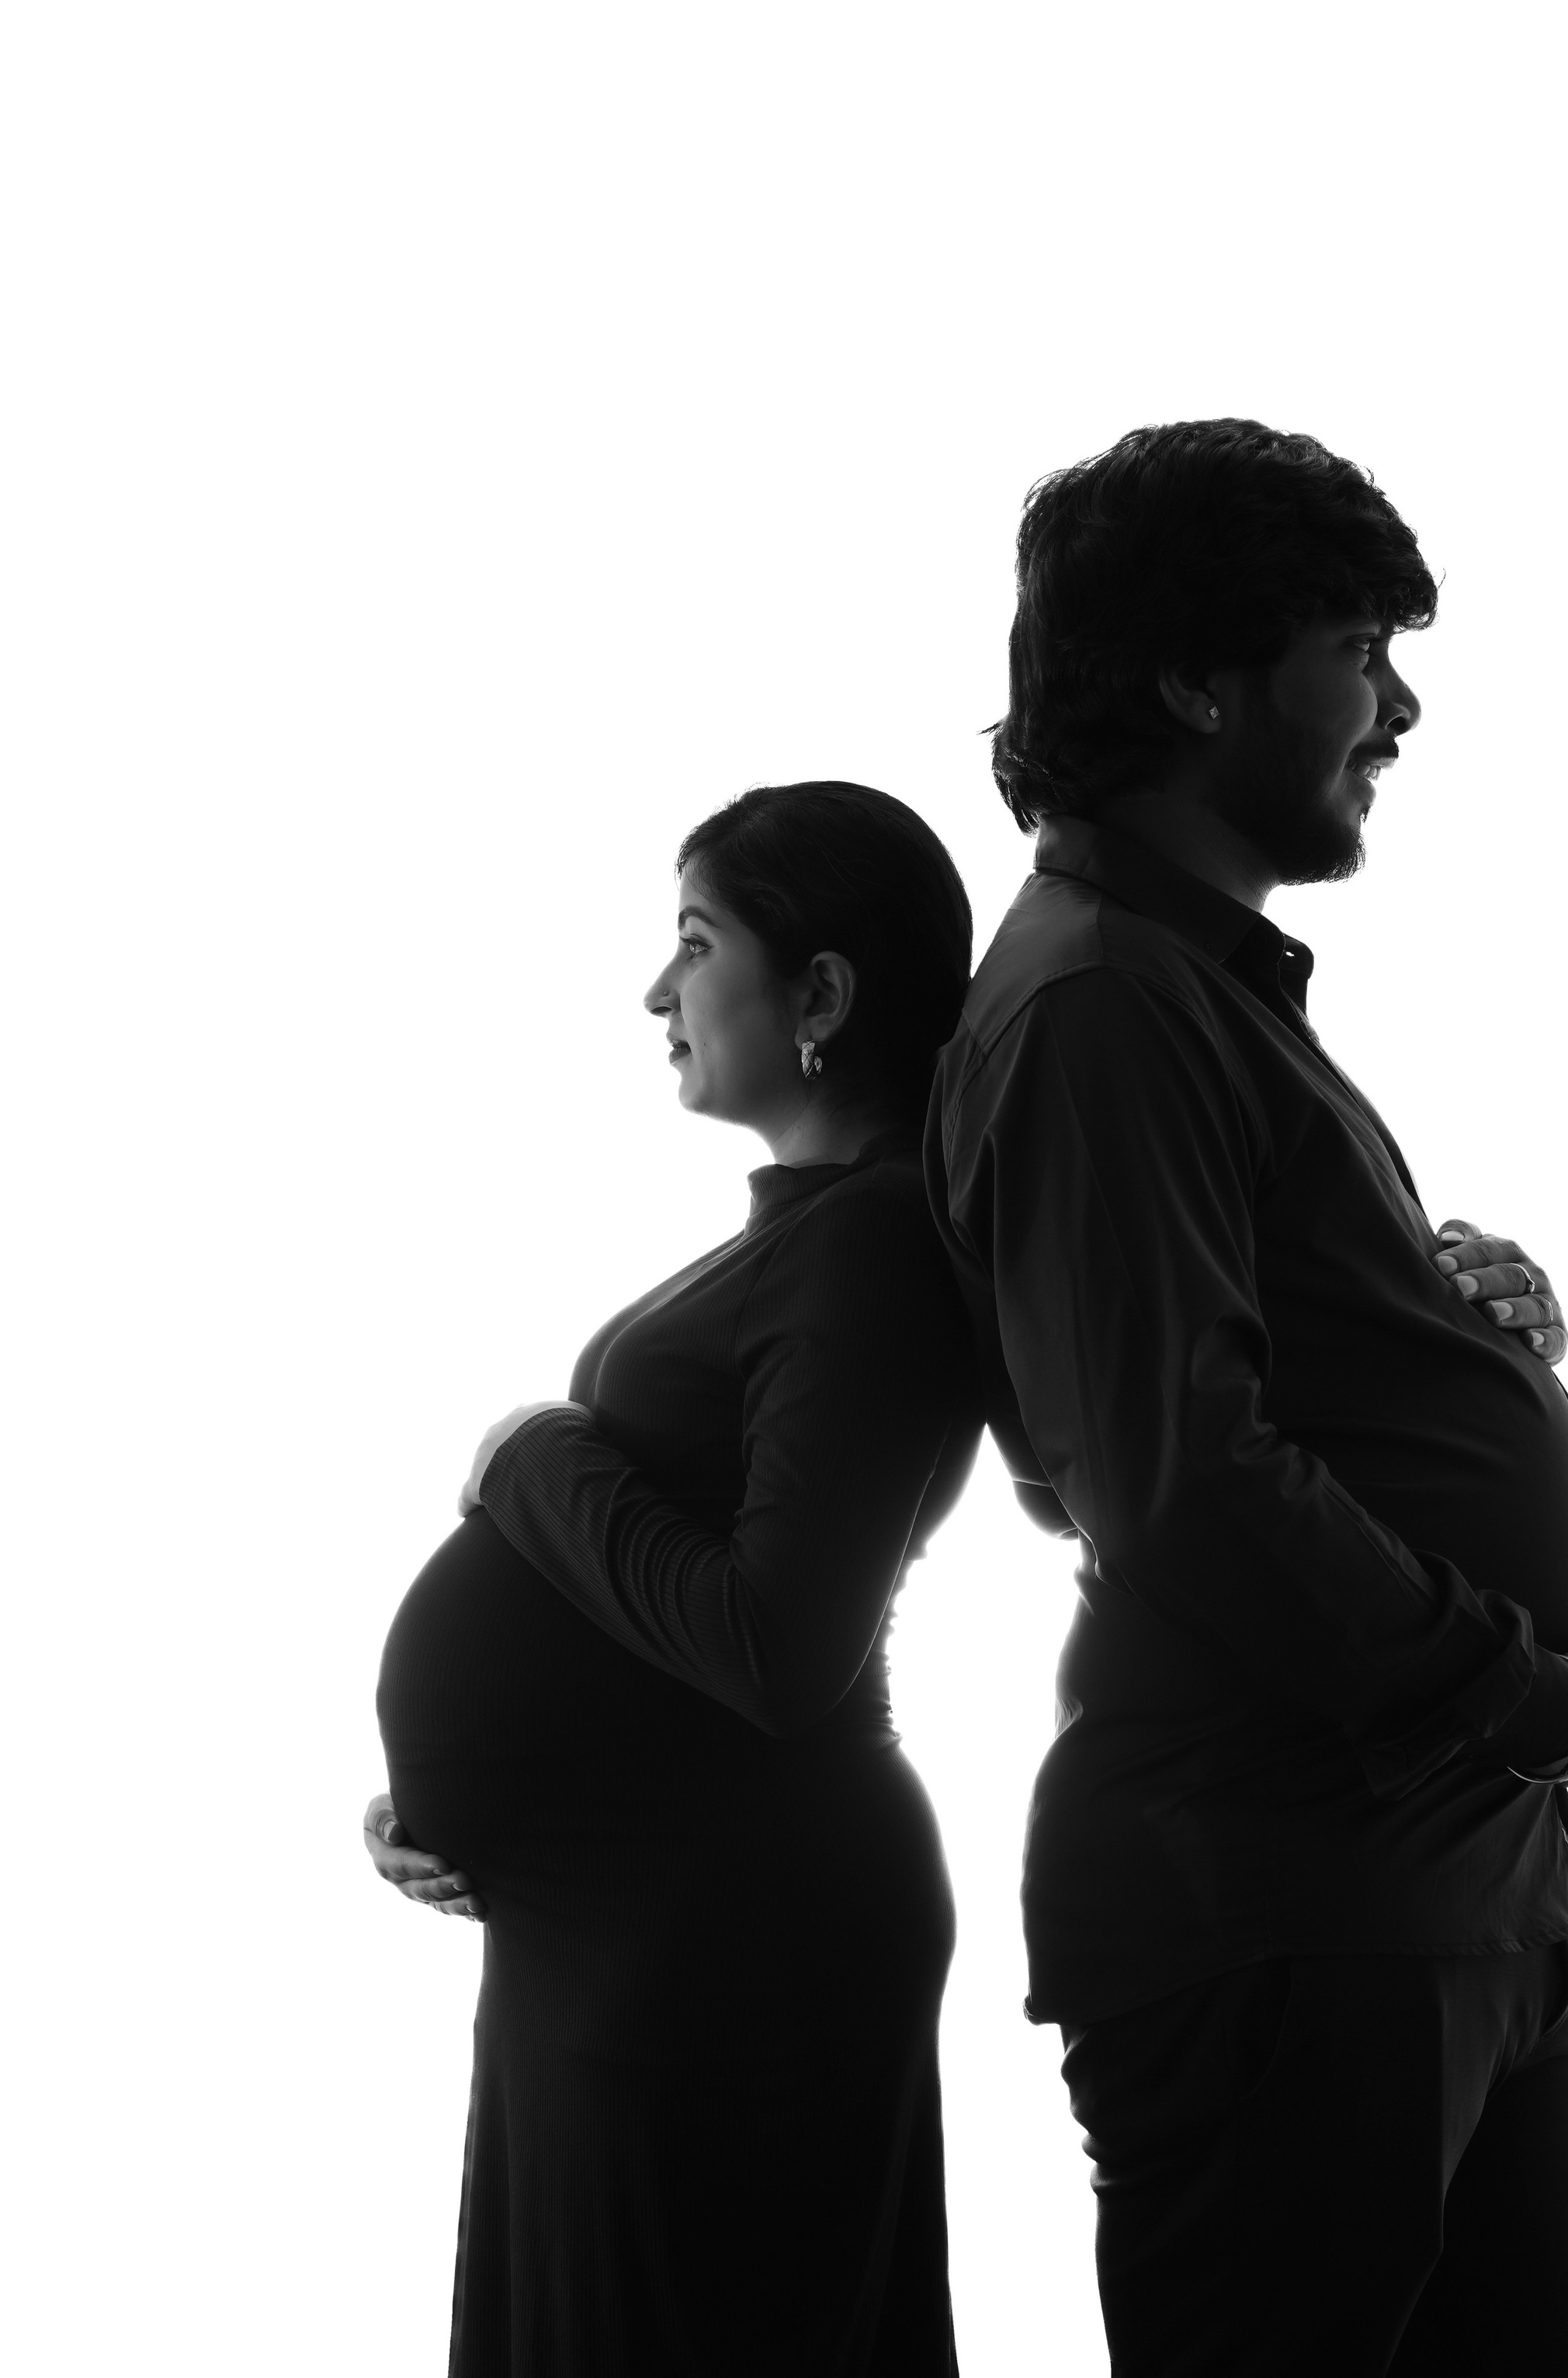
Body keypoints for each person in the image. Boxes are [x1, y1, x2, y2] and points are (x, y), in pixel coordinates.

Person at [925, 418, 1568, 2376]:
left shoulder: (1187, 991)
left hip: (1438, 1883)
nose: (1398, 706)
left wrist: (1442, 1335)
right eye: (1356, 648)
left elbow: (1201, 1387)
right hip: (1296, 1911)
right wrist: (1541, 1696)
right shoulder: (1097, 1004)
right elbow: (1167, 1483)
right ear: (1194, 678)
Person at [366, 782, 980, 2378]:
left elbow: (774, 1645)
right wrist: (452, 1803)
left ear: (824, 993)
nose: (658, 990)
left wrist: (527, 1455)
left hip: (728, 1948)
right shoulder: (815, 1238)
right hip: (630, 1923)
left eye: (696, 942)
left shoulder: (869, 1246)